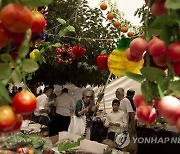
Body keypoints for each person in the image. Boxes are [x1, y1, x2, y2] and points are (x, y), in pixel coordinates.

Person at [115, 88, 137, 154]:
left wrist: (132, 125)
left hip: (124, 126)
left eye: (116, 92)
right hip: (118, 126)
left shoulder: (126, 100)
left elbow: (131, 113)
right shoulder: (118, 101)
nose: (115, 94)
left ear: (118, 93)